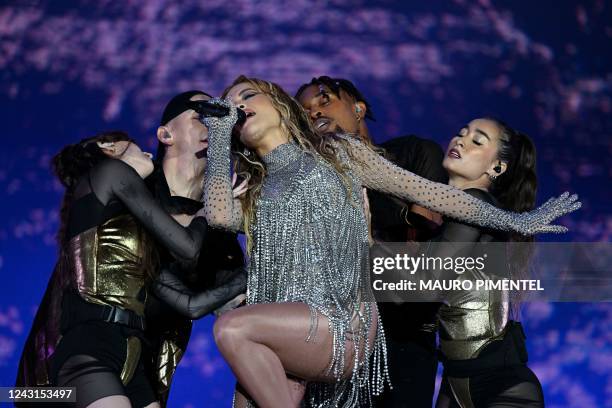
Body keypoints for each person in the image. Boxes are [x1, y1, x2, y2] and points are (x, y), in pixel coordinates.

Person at [202, 76, 579, 408]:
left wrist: (515, 219)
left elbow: (433, 194)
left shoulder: (338, 152)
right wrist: (219, 134)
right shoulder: (256, 187)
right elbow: (219, 216)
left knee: (232, 328)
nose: (236, 105)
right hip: (282, 326)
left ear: (279, 104)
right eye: (231, 103)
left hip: (340, 321)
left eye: (247, 95)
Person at [14, 131, 216, 408]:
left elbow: (191, 304)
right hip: (90, 350)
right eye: (136, 147)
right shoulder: (109, 170)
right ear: (108, 147)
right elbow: (188, 247)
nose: (148, 154)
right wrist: (208, 211)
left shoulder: (126, 242)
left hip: (131, 354)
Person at [296, 76, 446, 407]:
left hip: (403, 329)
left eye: (325, 101)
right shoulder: (313, 181)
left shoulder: (412, 151)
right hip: (336, 333)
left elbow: (428, 218)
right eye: (305, 111)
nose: (315, 112)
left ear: (358, 108)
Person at [411, 118, 545, 407]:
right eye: (461, 133)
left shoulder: (474, 202)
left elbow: (425, 284)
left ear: (496, 168)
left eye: (477, 140)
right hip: (454, 383)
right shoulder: (454, 213)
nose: (460, 140)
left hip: (502, 391)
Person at [143, 90, 247, 406]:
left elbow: (239, 306)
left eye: (220, 117)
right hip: (83, 352)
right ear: (165, 134)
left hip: (150, 367)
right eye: (201, 114)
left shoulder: (220, 226)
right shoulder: (131, 187)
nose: (213, 123)